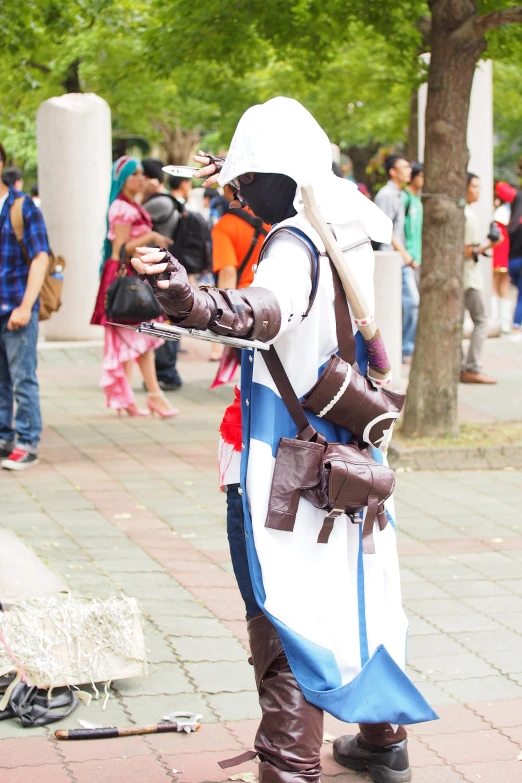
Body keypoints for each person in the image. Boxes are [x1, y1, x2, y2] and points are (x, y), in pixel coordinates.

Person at [133, 97, 436, 783]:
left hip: (286, 457)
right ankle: (382, 740)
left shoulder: (293, 243)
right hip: (351, 449)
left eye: (244, 180)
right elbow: (285, 198)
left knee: (280, 604)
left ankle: (289, 767)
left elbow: (266, 308)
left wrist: (193, 301)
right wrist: (229, 172)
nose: (236, 192)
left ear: (268, 177)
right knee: (358, 591)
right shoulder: (352, 218)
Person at [90, 156, 178, 417]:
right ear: (122, 179)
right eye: (135, 174)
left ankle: (130, 398)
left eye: (142, 173)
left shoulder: (128, 205)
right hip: (130, 280)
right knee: (142, 339)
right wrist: (151, 236)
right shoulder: (122, 208)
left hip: (134, 278)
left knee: (134, 341)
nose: (141, 178)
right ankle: (153, 397)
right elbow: (123, 248)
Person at [0, 142, 50, 470]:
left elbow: (41, 257)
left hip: (17, 307)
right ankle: (4, 436)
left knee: (22, 377)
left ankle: (28, 440)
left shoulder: (21, 206)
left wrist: (25, 306)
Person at [142, 157, 183, 390]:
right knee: (165, 319)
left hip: (161, 271)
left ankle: (168, 373)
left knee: (164, 321)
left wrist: (139, 197)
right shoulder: (166, 200)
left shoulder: (157, 203)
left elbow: (131, 219)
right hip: (164, 269)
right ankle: (166, 372)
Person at [374, 155, 419, 364]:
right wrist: (404, 253)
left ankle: (403, 349)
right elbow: (384, 227)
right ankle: (403, 350)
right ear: (393, 171)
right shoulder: (386, 195)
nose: (409, 171)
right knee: (410, 303)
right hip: (392, 259)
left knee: (408, 303)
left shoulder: (401, 195)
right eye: (404, 167)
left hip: (399, 258)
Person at [461, 173, 498, 384]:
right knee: (482, 320)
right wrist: (488, 245)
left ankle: (462, 365)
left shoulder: (467, 212)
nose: (478, 191)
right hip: (468, 278)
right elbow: (465, 251)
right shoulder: (468, 216)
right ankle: (472, 367)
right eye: (474, 186)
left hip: (466, 276)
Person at [491, 181, 516, 333]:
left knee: (498, 287)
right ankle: (502, 321)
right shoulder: (508, 212)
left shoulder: (502, 212)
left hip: (503, 253)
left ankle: (500, 321)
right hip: (505, 253)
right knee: (500, 287)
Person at [403, 162, 424, 288]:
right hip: (407, 256)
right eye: (421, 175)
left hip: (417, 257)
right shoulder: (405, 198)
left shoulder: (418, 200)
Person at [508, 189, 522, 336]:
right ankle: (516, 324)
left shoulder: (513, 223)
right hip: (520, 262)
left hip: (512, 261)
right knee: (521, 296)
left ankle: (512, 323)